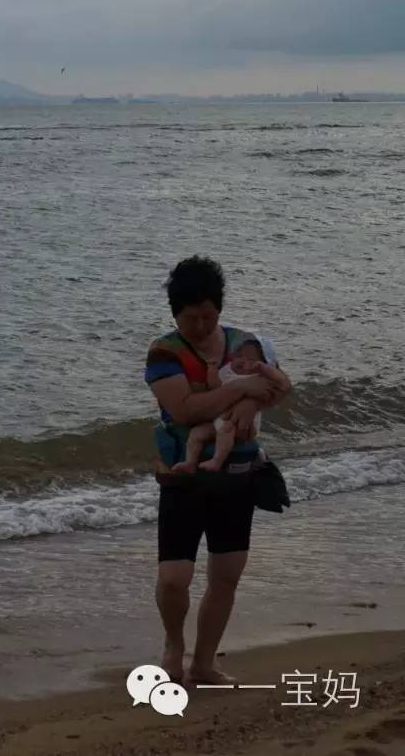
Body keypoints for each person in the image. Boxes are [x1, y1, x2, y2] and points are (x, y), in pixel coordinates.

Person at [144, 256, 291, 685]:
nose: (204, 326)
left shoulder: (246, 344)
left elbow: (280, 386)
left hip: (238, 473)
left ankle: (203, 663)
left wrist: (249, 401)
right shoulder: (164, 352)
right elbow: (185, 408)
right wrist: (243, 388)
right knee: (175, 578)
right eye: (193, 318)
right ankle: (174, 645)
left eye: (210, 316)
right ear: (176, 314)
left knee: (226, 573)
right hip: (183, 474)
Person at [170, 338, 285, 474]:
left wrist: (264, 369)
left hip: (243, 424)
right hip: (218, 421)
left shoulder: (259, 377)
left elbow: (278, 385)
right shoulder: (227, 371)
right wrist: (212, 371)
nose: (242, 361)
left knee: (226, 428)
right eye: (239, 356)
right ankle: (190, 462)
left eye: (250, 359)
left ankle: (217, 461)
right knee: (197, 433)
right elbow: (216, 387)